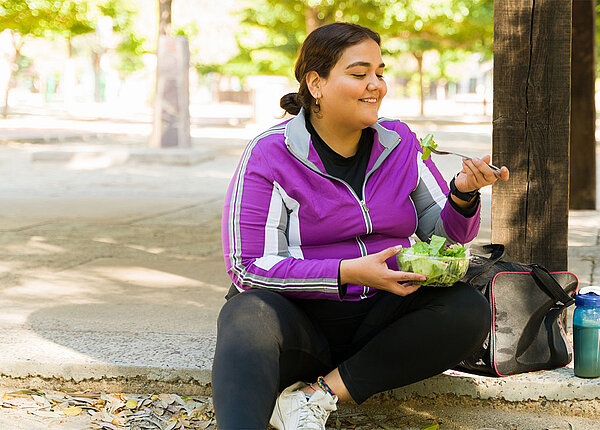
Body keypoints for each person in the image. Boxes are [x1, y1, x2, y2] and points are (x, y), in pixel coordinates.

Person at [213, 22, 510, 429]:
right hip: (302, 322)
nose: (377, 85)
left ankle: (317, 397)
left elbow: (445, 236)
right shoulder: (270, 154)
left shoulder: (400, 142)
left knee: (467, 309)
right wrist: (344, 273)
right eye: (359, 74)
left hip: (380, 321)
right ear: (316, 84)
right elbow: (247, 264)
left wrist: (463, 192)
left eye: (380, 72)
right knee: (246, 316)